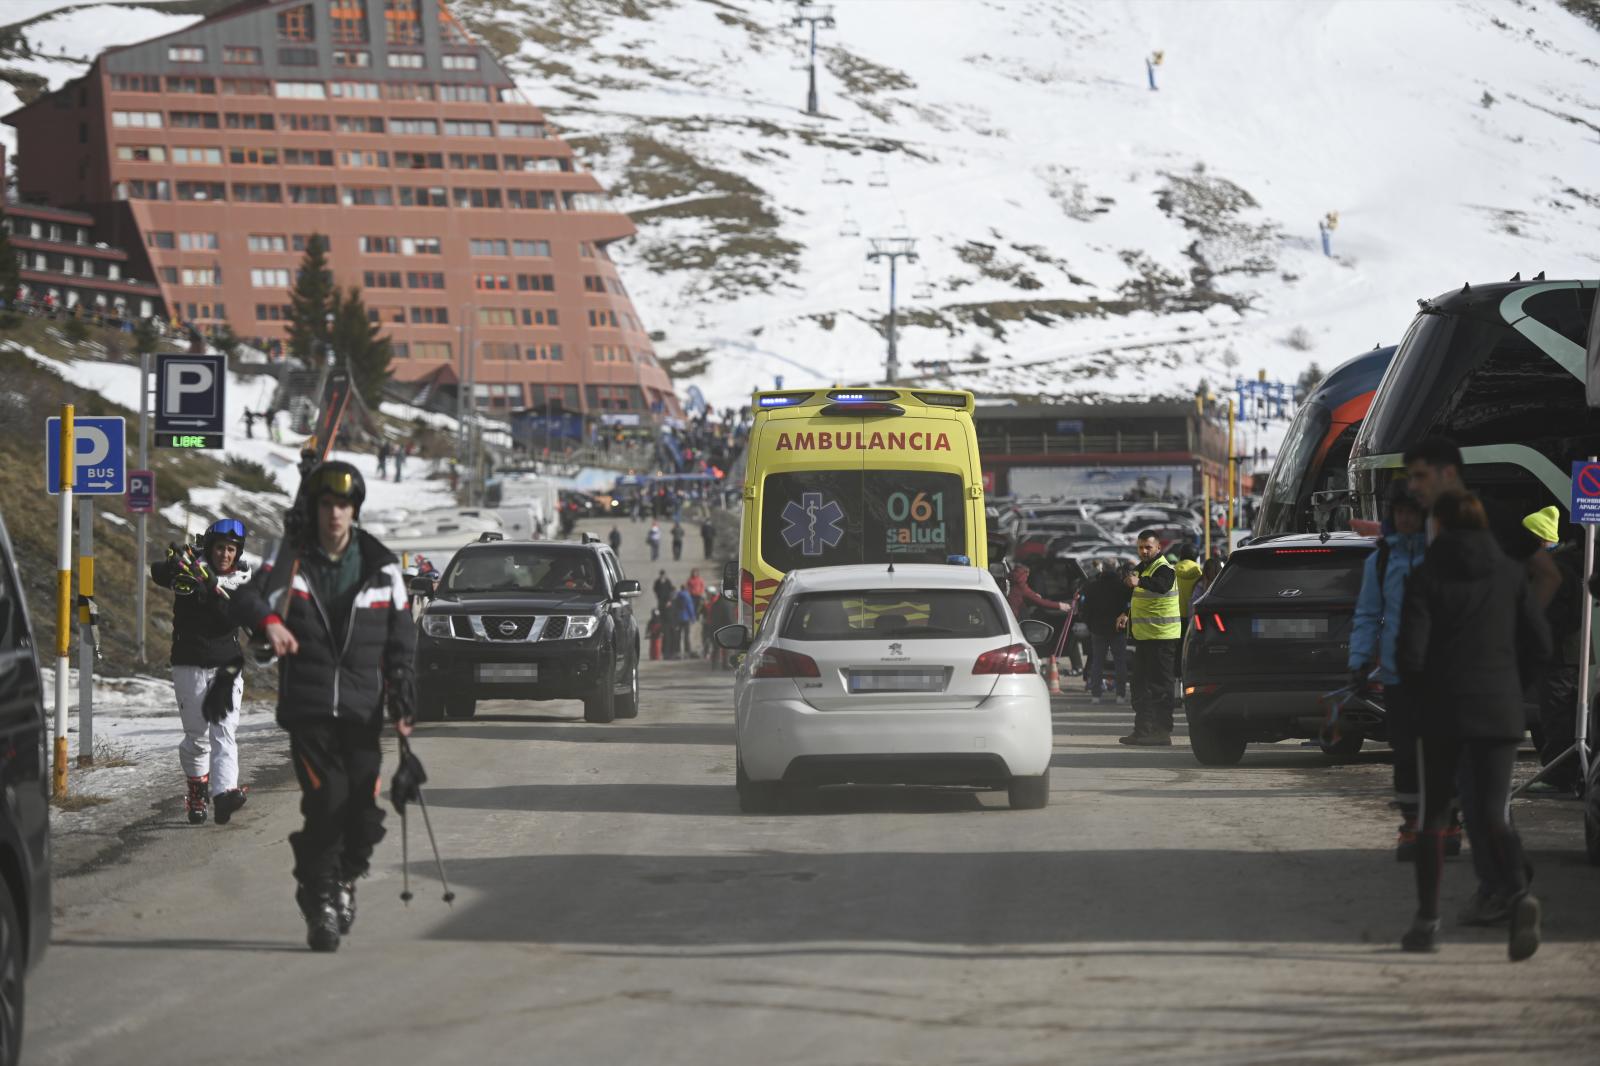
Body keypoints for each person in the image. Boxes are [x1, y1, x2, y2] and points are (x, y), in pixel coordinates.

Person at [231, 461, 417, 953]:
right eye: (327, 504)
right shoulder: (289, 558)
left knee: (364, 812)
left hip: (363, 711)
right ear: (314, 508)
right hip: (309, 707)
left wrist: (402, 692)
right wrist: (269, 621)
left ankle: (345, 877)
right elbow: (247, 597)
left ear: (355, 510)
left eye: (343, 505)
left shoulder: (381, 565)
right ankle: (320, 900)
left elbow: (402, 637)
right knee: (326, 801)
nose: (335, 513)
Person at [1396, 490, 1549, 958]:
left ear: (1438, 526)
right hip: (1500, 710)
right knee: (1494, 813)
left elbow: (1411, 655)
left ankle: (1426, 922)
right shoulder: (1509, 573)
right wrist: (1510, 687)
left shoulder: (1425, 576)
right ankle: (1520, 895)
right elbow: (1539, 644)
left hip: (1443, 713)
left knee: (1433, 819)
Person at [149, 519, 254, 826]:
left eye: (231, 550)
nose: (225, 554)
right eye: (220, 548)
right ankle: (198, 792)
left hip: (227, 666)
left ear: (238, 554)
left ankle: (224, 794)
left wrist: (211, 587)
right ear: (211, 547)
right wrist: (175, 565)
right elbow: (157, 573)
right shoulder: (190, 570)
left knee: (224, 730)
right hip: (189, 662)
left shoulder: (242, 581)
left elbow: (229, 615)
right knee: (197, 737)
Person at [1348, 482, 1427, 859]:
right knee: (1406, 753)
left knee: (1445, 750)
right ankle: (1411, 824)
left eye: (1413, 511)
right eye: (1401, 512)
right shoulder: (1380, 561)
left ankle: (1448, 820)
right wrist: (1359, 660)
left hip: (1442, 673)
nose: (1407, 518)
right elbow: (1367, 615)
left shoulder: (1442, 555)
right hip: (1398, 674)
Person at [1522, 506, 1583, 795]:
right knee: (1558, 715)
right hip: (1563, 656)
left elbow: (1561, 618)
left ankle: (1559, 779)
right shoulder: (1557, 566)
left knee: (1557, 716)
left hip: (1560, 657)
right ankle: (1562, 774)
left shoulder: (1556, 570)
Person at [1118, 531, 1181, 745]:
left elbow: (1162, 586)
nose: (1144, 551)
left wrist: (1140, 582)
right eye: (1141, 547)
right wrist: (1125, 614)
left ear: (1158, 548)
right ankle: (1142, 731)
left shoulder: (1164, 568)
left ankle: (1162, 732)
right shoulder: (1141, 568)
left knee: (1161, 687)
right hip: (1145, 637)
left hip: (1162, 638)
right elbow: (1135, 597)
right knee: (1140, 685)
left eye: (1148, 547)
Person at [1081, 560, 1131, 703]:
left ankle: (1096, 695)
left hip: (1098, 629)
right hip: (1118, 629)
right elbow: (1130, 605)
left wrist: (1089, 624)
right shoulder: (1121, 587)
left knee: (1097, 662)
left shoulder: (1093, 587)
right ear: (1116, 569)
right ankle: (1120, 695)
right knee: (1120, 662)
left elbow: (1086, 609)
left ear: (1102, 569)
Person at [671, 582, 698, 657]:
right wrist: (693, 618)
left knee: (678, 635)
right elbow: (690, 608)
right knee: (686, 635)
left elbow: (674, 608)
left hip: (678, 619)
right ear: (686, 588)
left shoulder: (677, 596)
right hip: (686, 619)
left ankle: (677, 651)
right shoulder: (687, 596)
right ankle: (687, 650)